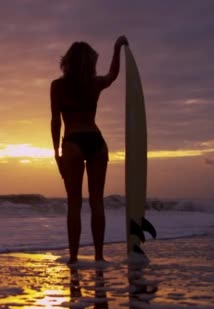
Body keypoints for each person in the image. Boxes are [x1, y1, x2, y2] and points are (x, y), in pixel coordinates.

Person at [50, 36, 128, 263]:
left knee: (74, 204)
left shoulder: (58, 86)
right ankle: (99, 256)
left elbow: (55, 121)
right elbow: (113, 75)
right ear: (90, 62)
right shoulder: (94, 83)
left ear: (68, 61)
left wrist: (56, 154)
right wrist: (117, 48)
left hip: (73, 141)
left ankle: (73, 258)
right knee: (97, 202)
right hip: (96, 141)